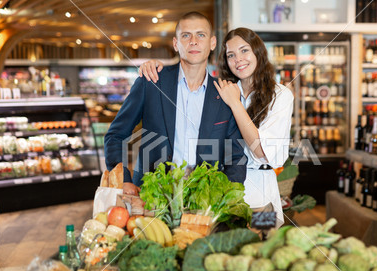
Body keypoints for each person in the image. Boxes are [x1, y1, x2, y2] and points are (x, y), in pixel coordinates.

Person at [139, 28, 294, 227]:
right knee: (224, 251)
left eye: (244, 51)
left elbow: (261, 151)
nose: (238, 59)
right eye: (231, 55)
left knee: (261, 245)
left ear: (258, 52)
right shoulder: (223, 89)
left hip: (261, 195)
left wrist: (235, 104)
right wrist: (157, 67)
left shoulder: (280, 95)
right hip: (221, 191)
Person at [104, 12, 246, 196]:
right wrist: (123, 180)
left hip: (203, 202)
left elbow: (235, 157)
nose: (193, 41)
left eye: (200, 35)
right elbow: (115, 135)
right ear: (175, 43)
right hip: (150, 197)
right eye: (186, 35)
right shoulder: (151, 82)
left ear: (212, 43)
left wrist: (224, 198)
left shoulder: (225, 94)